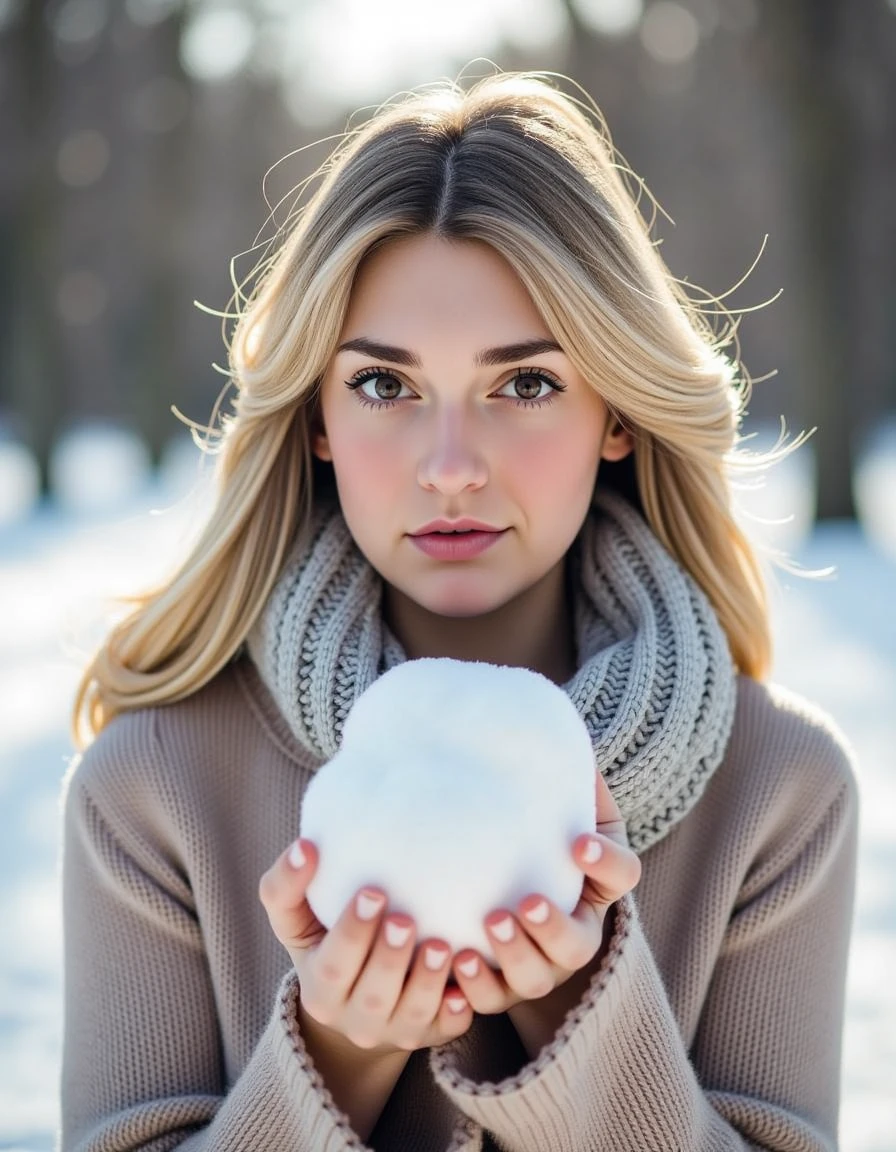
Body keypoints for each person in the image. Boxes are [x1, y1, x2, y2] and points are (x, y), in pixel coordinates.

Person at [62, 70, 858, 1151]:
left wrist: (579, 1016)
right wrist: (334, 1049)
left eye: (523, 385)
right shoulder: (151, 787)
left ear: (616, 410)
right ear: (315, 421)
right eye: (384, 387)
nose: (448, 468)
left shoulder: (776, 790)